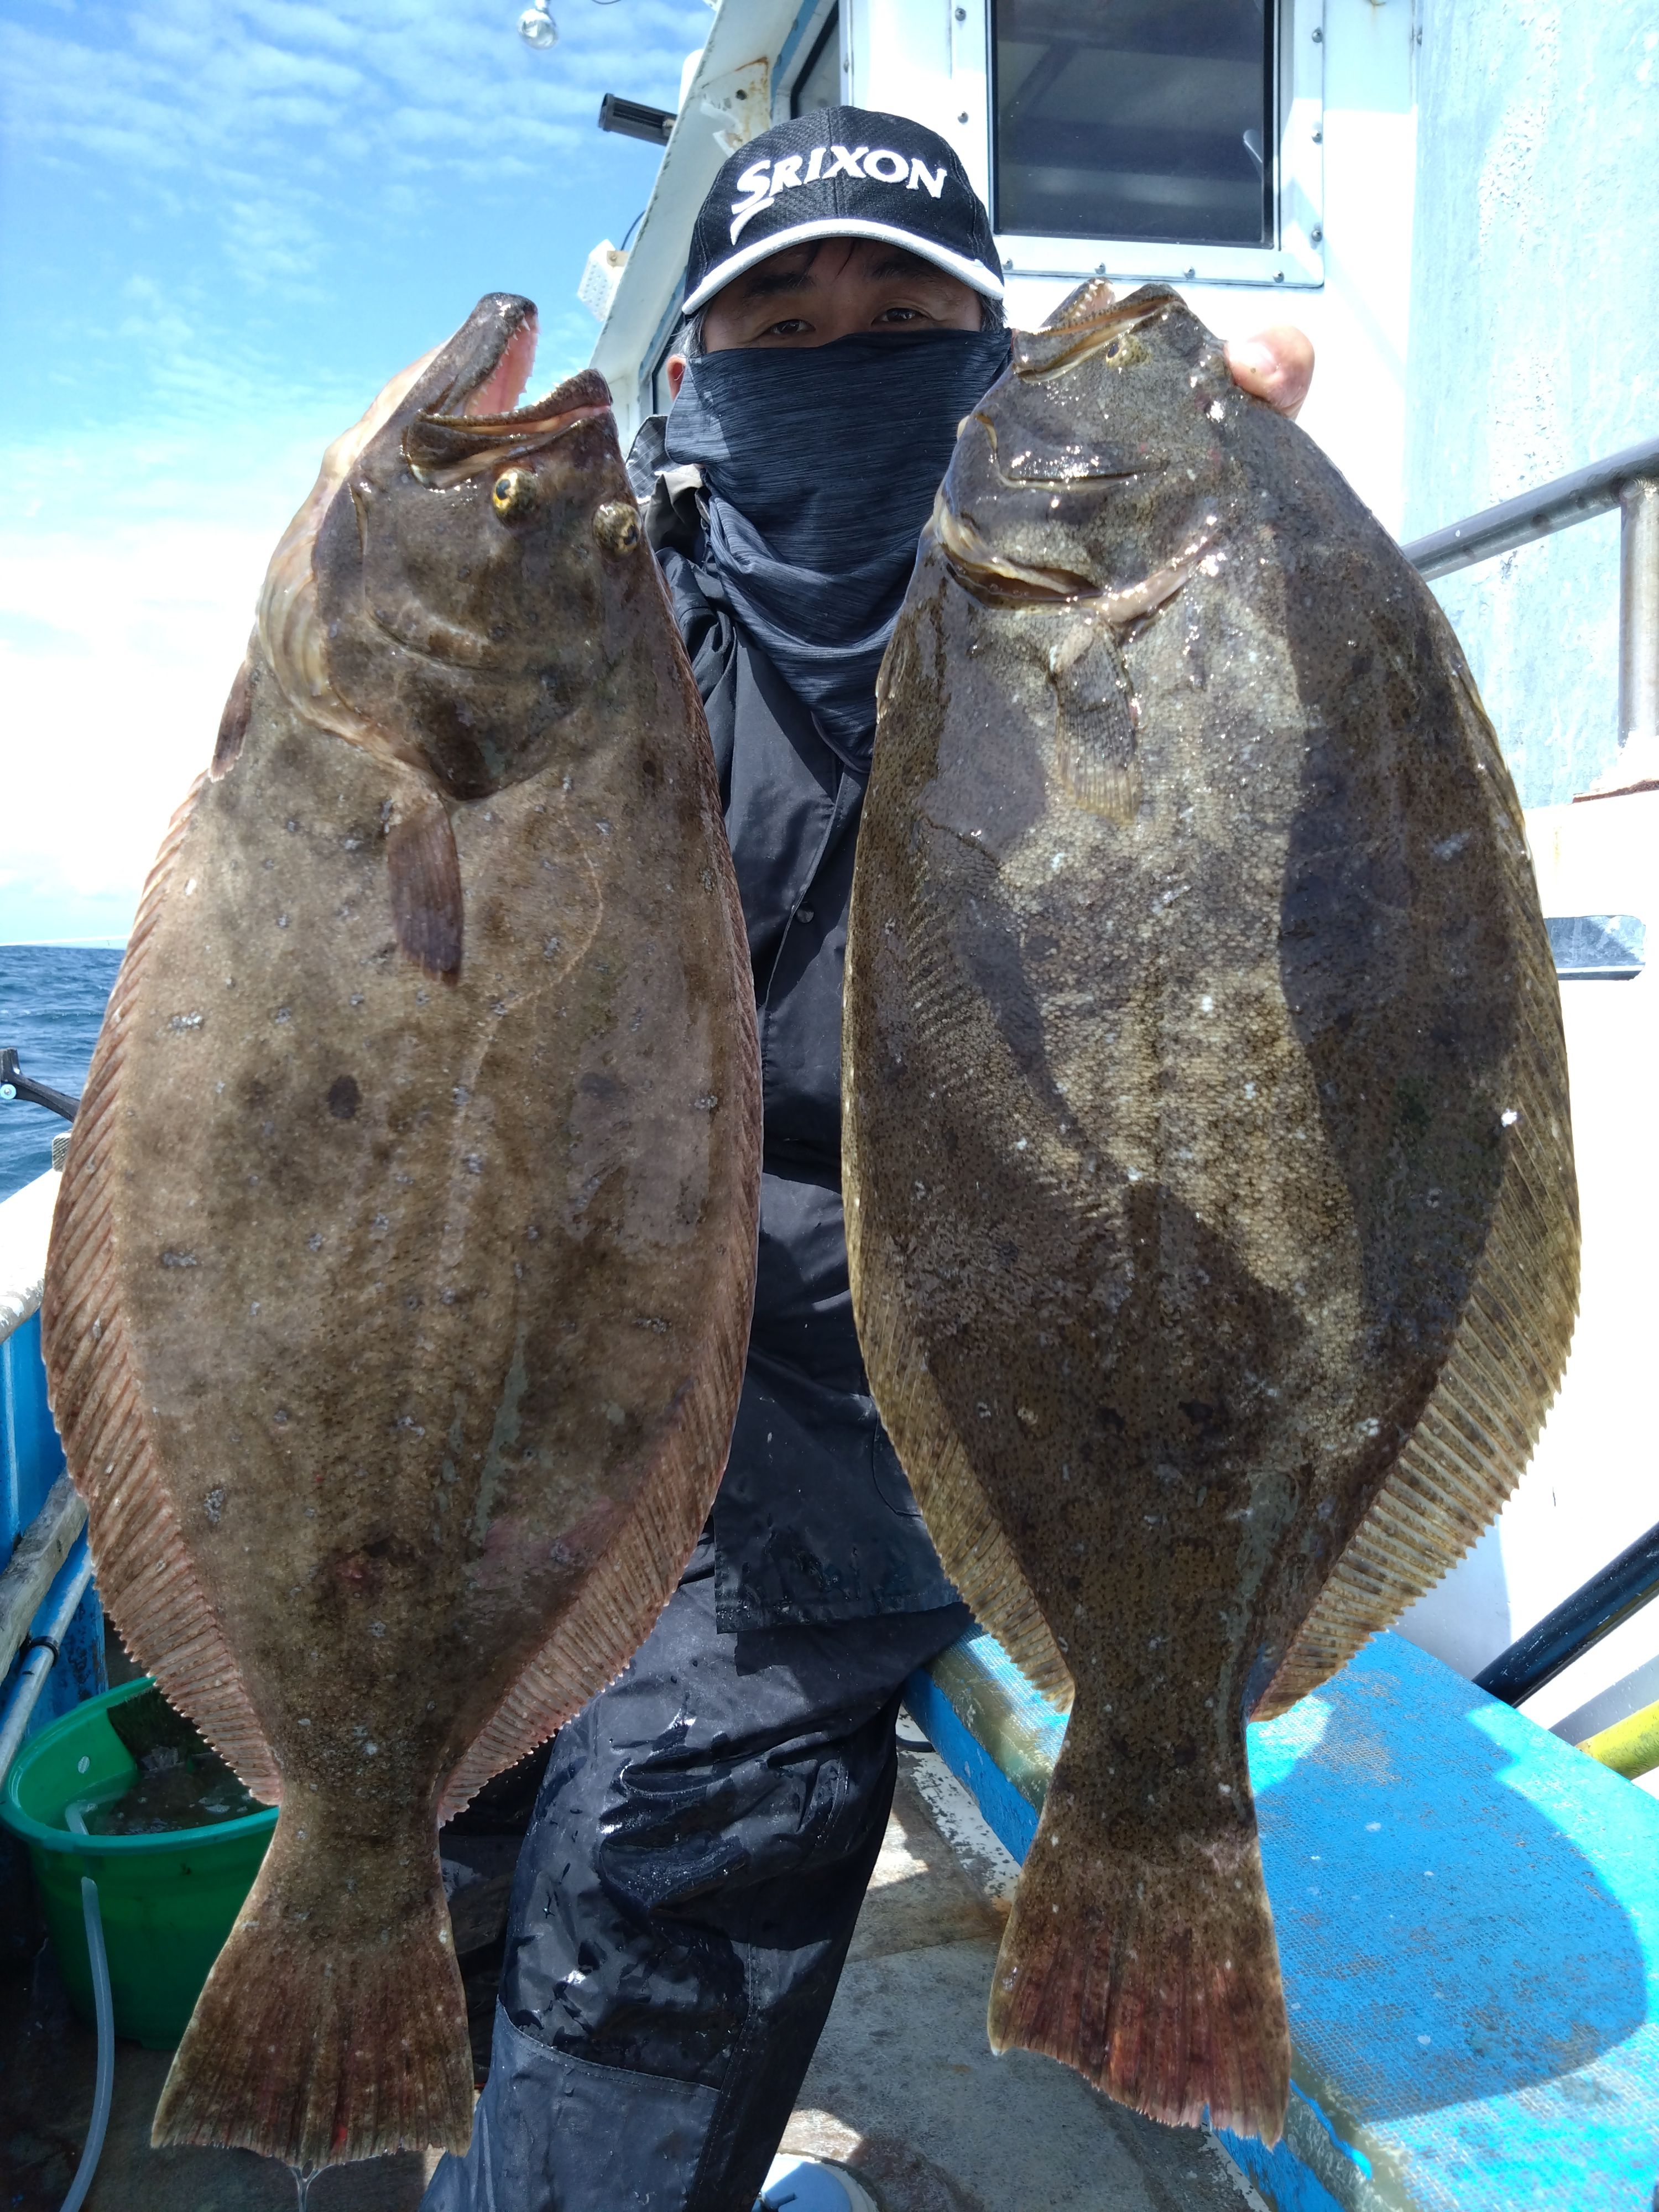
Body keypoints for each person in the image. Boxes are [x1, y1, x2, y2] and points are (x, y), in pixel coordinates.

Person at [422, 108, 1312, 2212]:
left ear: (989, 366)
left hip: (895, 1405)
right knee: (462, 1805)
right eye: (785, 327)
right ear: (699, 374)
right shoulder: (617, 633)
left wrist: (1249, 500)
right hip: (607, 1355)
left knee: (660, 1848)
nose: (845, 358)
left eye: (904, 323)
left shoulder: (1136, 601)